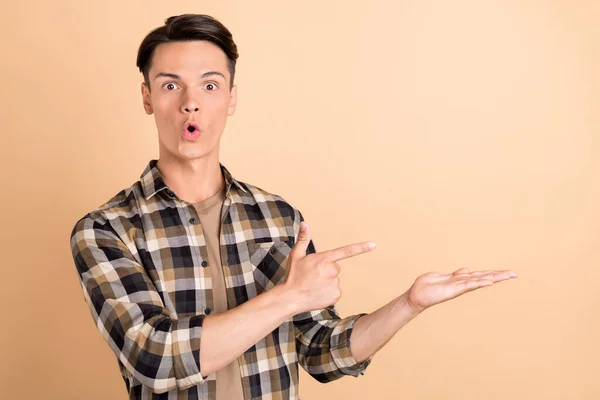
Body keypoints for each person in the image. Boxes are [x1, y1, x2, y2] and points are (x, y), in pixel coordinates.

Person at [69, 13, 518, 400]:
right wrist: (288, 297)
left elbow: (321, 351)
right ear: (147, 96)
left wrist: (409, 303)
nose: (191, 103)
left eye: (210, 85)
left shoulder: (279, 217)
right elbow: (154, 356)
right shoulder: (106, 230)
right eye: (171, 85)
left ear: (231, 98)